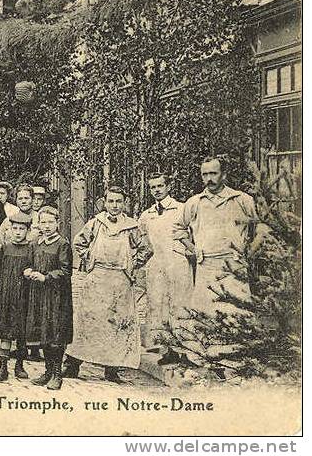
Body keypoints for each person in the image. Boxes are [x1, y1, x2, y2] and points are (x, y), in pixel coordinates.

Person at [173, 156, 263, 368]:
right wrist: (194, 250)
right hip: (207, 266)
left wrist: (248, 251)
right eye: (205, 174)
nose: (209, 179)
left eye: (213, 173)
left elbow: (260, 228)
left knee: (236, 313)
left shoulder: (242, 199)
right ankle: (207, 362)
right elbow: (178, 229)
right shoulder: (194, 202)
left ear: (224, 174)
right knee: (206, 313)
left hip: (234, 266)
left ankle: (236, 362)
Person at [64, 187, 152, 384]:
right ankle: (72, 364)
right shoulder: (95, 223)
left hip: (120, 281)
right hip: (96, 279)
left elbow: (146, 249)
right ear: (104, 202)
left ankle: (111, 369)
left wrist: (131, 263)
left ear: (124, 203)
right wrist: (90, 258)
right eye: (111, 201)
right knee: (87, 322)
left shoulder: (132, 227)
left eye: (118, 202)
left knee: (116, 324)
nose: (114, 206)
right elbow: (79, 243)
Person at [138, 172, 191, 361]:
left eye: (160, 186)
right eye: (153, 187)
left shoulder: (181, 209)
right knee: (158, 304)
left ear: (168, 187)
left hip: (177, 262)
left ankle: (185, 350)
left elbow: (191, 234)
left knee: (179, 304)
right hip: (157, 263)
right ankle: (167, 350)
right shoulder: (147, 215)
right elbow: (142, 240)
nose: (157, 190)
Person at [24, 207, 74, 390]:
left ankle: (57, 374)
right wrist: (28, 270)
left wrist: (46, 277)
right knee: (43, 332)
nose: (46, 226)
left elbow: (65, 271)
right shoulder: (35, 243)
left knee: (55, 334)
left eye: (50, 222)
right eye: (43, 222)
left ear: (57, 223)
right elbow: (29, 263)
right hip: (39, 294)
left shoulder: (62, 244)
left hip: (57, 297)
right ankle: (47, 371)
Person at [0, 211, 34, 382]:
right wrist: (0, 288)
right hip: (6, 296)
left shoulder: (31, 249)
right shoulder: (5, 248)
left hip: (24, 296)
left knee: (21, 332)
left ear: (27, 231)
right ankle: (3, 368)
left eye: (21, 229)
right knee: (5, 332)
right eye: (14, 228)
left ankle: (19, 365)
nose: (17, 232)